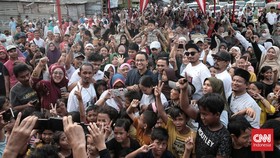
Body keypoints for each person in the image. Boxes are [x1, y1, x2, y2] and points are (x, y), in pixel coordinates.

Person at [180, 78, 232, 157]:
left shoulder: (224, 137)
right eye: (201, 113)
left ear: (217, 115)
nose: (202, 117)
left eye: (205, 114)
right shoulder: (202, 120)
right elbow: (185, 107)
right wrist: (184, 90)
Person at [155, 81, 195, 158]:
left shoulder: (192, 136)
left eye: (180, 120)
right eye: (175, 119)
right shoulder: (171, 125)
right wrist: (157, 96)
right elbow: (162, 112)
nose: (177, 123)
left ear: (187, 119)